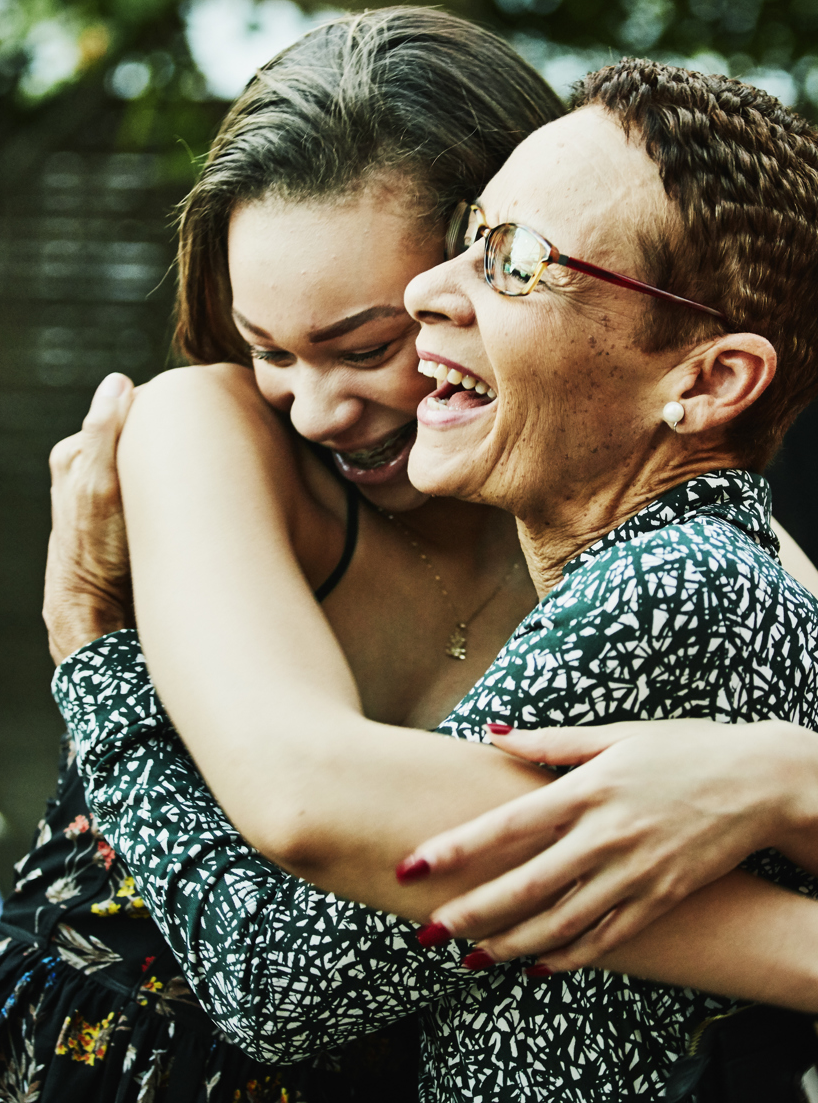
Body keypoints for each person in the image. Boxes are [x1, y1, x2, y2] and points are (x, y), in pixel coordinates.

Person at [43, 59, 818, 1101]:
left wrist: (91, 649)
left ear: (708, 379)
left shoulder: (675, 574)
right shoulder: (663, 541)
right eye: (266, 347)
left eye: (505, 257)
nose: (313, 410)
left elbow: (283, 960)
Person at [0, 7, 563, 1103]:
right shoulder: (208, 429)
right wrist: (698, 797)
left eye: (369, 347)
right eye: (270, 347)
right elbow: (303, 794)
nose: (316, 408)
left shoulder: (615, 513)